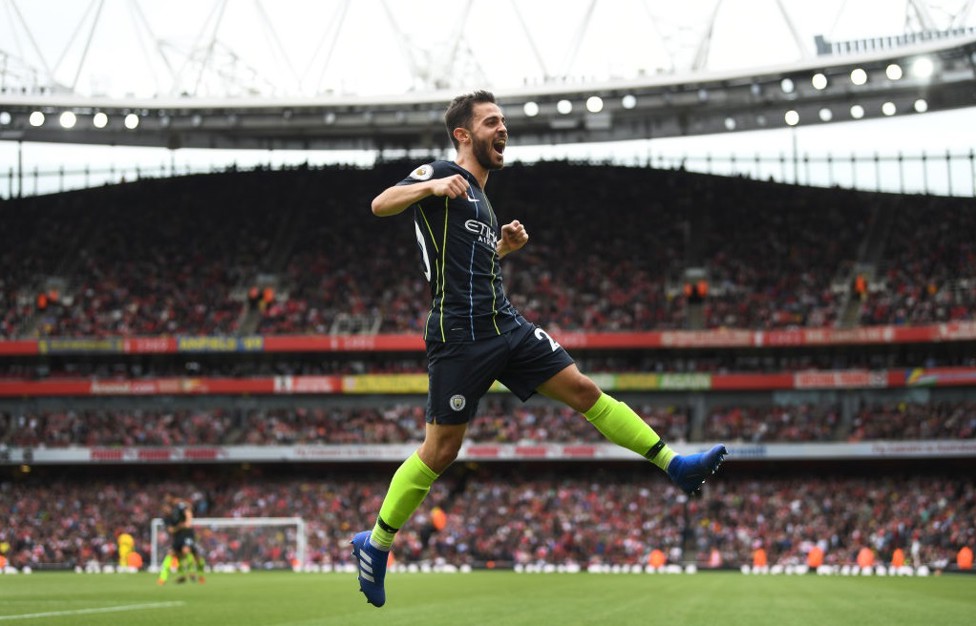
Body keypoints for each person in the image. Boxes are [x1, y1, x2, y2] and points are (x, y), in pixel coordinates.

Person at [351, 89, 727, 608]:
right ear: (463, 135)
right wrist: (433, 185)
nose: (501, 129)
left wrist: (501, 248)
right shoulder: (439, 170)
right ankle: (376, 543)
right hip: (459, 334)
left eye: (503, 121)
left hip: (504, 324)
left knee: (583, 388)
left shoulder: (483, 200)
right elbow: (379, 204)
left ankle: (674, 465)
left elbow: (470, 266)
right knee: (441, 451)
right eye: (490, 122)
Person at [157, 494, 206, 585]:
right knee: (172, 554)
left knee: (192, 553)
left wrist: (188, 520)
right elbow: (171, 530)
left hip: (188, 534)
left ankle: (198, 574)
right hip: (178, 536)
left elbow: (188, 509)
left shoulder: (178, 508)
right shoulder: (166, 518)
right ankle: (163, 578)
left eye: (166, 507)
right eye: (163, 509)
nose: (165, 510)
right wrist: (180, 526)